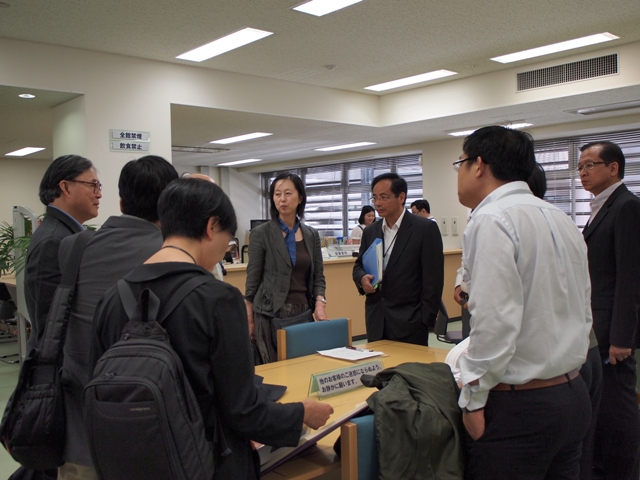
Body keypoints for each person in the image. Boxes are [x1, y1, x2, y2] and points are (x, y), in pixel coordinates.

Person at [90, 178, 333, 479]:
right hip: (208, 463)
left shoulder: (112, 298)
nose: (223, 252)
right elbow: (244, 412)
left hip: (133, 462)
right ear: (211, 226)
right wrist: (301, 414)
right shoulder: (218, 299)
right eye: (227, 241)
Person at [455, 126, 592, 479]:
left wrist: (473, 400)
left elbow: (494, 319)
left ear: (479, 165)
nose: (459, 174)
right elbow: (581, 305)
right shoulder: (560, 217)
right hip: (572, 393)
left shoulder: (491, 219)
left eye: (460, 163)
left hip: (521, 407)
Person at [56, 155, 178, 480]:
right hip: (151, 427)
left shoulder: (72, 247)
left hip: (80, 425)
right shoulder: (174, 255)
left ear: (122, 202)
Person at [579, 141, 640, 480]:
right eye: (580, 167)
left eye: (590, 165)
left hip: (613, 332)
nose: (583, 172)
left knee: (618, 409)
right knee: (602, 407)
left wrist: (622, 338)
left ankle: (623, 472)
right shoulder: (601, 206)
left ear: (613, 168)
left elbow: (631, 279)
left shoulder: (627, 206)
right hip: (597, 325)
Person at [244, 173, 328, 364]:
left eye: (288, 193)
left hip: (303, 311)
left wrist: (320, 302)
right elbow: (253, 279)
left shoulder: (311, 234)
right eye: (277, 194)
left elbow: (318, 275)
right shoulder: (261, 233)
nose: (282, 199)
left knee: (303, 365)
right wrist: (249, 317)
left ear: (300, 198)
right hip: (270, 313)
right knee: (275, 369)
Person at [352, 173, 443, 345]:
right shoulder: (371, 231)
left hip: (411, 322)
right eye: (375, 198)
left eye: (384, 197)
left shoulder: (424, 229)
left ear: (401, 197)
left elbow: (433, 280)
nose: (378, 203)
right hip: (376, 319)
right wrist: (361, 278)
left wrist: (425, 319)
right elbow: (358, 266)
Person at [24, 154, 101, 352]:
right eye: (93, 185)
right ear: (66, 187)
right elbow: (49, 321)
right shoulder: (54, 241)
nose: (99, 194)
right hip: (59, 362)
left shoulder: (65, 233)